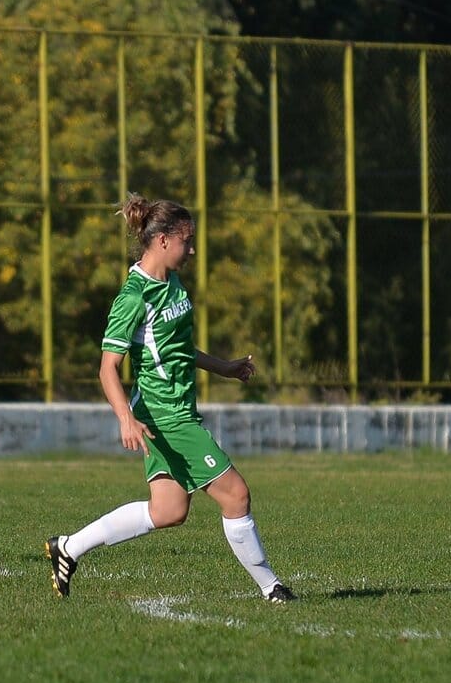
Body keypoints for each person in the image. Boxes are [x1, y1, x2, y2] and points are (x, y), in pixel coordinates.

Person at [45, 193, 294, 602]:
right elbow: (107, 368)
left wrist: (224, 368)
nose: (192, 249)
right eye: (186, 240)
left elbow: (177, 348)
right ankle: (272, 588)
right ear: (162, 241)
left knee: (168, 511)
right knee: (236, 494)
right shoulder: (133, 298)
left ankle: (68, 548)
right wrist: (125, 419)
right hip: (165, 417)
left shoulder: (171, 283)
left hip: (173, 411)